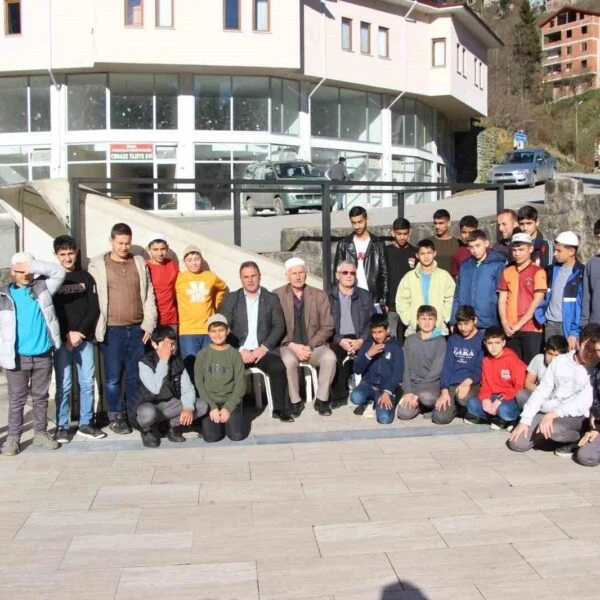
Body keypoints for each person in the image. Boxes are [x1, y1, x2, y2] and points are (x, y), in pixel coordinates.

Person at [88, 223, 157, 435]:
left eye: (127, 243)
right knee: (113, 377)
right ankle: (116, 416)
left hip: (138, 330)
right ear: (111, 241)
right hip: (111, 331)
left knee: (135, 375)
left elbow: (149, 295)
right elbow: (92, 299)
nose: (124, 247)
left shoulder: (138, 262)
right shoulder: (98, 265)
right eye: (120, 243)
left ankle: (133, 412)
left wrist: (149, 324)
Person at [0, 252, 65, 456]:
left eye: (28, 269)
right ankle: (13, 439)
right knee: (17, 400)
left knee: (41, 397)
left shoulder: (41, 288)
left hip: (43, 354)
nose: (25, 274)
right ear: (12, 272)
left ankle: (40, 433)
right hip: (17, 357)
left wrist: (34, 266)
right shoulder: (3, 296)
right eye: (20, 270)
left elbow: (58, 271)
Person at [508, 323, 600, 457]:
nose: (590, 354)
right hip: (550, 410)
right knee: (517, 443)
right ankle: (552, 438)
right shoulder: (560, 361)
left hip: (576, 416)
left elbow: (583, 402)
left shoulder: (594, 369)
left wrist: (552, 415)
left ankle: (575, 439)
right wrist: (525, 421)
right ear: (578, 343)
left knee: (554, 430)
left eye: (595, 350)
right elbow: (542, 391)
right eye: (587, 347)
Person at [219, 261, 294, 422]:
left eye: (253, 276)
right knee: (226, 369)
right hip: (239, 350)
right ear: (241, 279)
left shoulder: (271, 298)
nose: (250, 280)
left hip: (262, 350)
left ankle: (280, 409)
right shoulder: (232, 299)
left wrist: (265, 347)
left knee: (278, 367)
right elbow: (223, 328)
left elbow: (279, 326)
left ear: (260, 276)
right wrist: (239, 350)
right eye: (246, 277)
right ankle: (228, 409)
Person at [52, 235, 104, 443]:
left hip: (85, 339)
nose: (67, 258)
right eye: (63, 254)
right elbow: (52, 311)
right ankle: (62, 426)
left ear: (77, 253)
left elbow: (94, 308)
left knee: (87, 383)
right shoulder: (53, 279)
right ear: (56, 255)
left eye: (70, 253)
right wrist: (67, 333)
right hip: (62, 340)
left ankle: (86, 423)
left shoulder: (86, 277)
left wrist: (80, 333)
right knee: (64, 384)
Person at [275, 257, 336, 416]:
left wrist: (310, 346)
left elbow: (328, 326)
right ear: (287, 276)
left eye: (301, 272)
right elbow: (273, 327)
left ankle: (322, 400)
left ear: (306, 273)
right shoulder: (277, 295)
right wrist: (292, 345)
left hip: (313, 345)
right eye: (293, 273)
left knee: (329, 357)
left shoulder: (319, 295)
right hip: (288, 346)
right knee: (288, 362)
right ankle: (295, 401)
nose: (297, 276)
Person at [132, 326, 208, 448]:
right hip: (150, 404)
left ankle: (172, 427)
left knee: (201, 405)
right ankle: (148, 430)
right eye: (166, 344)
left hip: (171, 405)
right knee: (148, 413)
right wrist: (163, 361)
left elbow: (187, 389)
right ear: (154, 344)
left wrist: (188, 408)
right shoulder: (145, 362)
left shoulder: (177, 361)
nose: (170, 348)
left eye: (172, 344)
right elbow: (155, 388)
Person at [194, 314, 249, 443]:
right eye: (213, 331)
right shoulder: (202, 354)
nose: (217, 334)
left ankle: (232, 419)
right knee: (211, 437)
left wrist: (228, 407)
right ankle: (216, 423)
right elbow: (199, 383)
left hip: (230, 400)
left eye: (221, 330)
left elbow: (240, 384)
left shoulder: (234, 354)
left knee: (237, 435)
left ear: (227, 331)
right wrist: (212, 407)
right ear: (208, 333)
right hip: (210, 402)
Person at [176, 245, 228, 375]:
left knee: (209, 365)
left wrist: (216, 304)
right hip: (187, 330)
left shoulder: (210, 276)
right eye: (190, 260)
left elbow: (223, 288)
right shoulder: (179, 278)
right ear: (184, 262)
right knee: (191, 367)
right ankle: (195, 394)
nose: (194, 263)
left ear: (201, 259)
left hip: (208, 329)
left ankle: (209, 393)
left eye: (196, 258)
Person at [498, 232, 547, 364]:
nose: (517, 253)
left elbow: (537, 301)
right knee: (513, 367)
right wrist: (504, 322)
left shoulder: (538, 271)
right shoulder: (507, 271)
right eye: (514, 250)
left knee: (530, 367)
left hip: (531, 329)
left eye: (521, 249)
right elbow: (502, 299)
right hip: (511, 328)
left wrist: (520, 323)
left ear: (530, 249)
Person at [329, 261, 373, 408]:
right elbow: (325, 324)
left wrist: (361, 340)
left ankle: (368, 391)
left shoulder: (365, 296)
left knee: (373, 352)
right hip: (337, 337)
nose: (349, 276)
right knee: (333, 356)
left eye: (352, 273)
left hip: (360, 336)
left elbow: (371, 323)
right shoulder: (328, 297)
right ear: (337, 275)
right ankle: (339, 396)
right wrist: (340, 340)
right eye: (345, 273)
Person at [465, 326, 526, 430]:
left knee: (504, 410)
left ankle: (512, 419)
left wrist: (500, 400)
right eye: (490, 343)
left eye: (497, 343)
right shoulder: (486, 361)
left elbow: (519, 387)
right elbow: (485, 385)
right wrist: (485, 399)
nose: (494, 347)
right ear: (485, 343)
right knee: (471, 404)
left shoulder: (512, 359)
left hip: (510, 397)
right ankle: (498, 419)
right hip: (494, 396)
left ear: (503, 343)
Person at [435, 305, 485, 425]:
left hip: (473, 384)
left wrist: (468, 381)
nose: (463, 328)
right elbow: (447, 366)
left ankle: (474, 410)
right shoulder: (453, 339)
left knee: (463, 399)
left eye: (466, 323)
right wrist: (445, 390)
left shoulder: (482, 339)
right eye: (460, 324)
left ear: (475, 321)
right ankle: (459, 408)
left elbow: (481, 366)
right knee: (439, 417)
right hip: (454, 384)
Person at [351, 313, 404, 424]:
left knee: (384, 419)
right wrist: (368, 355)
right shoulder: (368, 344)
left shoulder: (395, 347)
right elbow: (357, 369)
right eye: (374, 332)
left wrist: (387, 392)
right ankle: (369, 401)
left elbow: (398, 373)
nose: (377, 336)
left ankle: (388, 400)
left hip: (386, 388)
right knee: (355, 397)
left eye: (380, 332)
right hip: (369, 385)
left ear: (387, 330)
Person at [535, 231, 584, 350]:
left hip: (567, 326)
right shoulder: (550, 270)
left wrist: (574, 332)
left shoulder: (581, 273)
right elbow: (545, 296)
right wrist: (542, 316)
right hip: (550, 323)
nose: (555, 254)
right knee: (550, 359)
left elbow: (580, 305)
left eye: (559, 251)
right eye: (555, 250)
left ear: (572, 251)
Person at [333, 206, 388, 312]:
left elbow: (385, 274)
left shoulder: (378, 244)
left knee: (374, 328)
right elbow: (337, 274)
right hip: (350, 298)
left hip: (374, 299)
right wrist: (338, 299)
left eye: (360, 222)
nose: (357, 226)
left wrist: (384, 300)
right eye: (353, 223)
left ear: (367, 219)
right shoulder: (344, 244)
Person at [396, 239, 455, 337]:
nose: (426, 256)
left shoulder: (444, 276)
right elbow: (401, 300)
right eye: (422, 253)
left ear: (434, 253)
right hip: (416, 330)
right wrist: (410, 320)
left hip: (438, 329)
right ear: (417, 255)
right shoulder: (409, 277)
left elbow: (451, 298)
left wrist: (444, 318)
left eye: (429, 253)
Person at [396, 305, 446, 420]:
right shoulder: (410, 340)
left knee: (426, 397)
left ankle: (428, 404)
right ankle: (420, 406)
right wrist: (408, 391)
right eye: (423, 319)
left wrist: (416, 393)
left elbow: (436, 371)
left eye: (430, 319)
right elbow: (405, 367)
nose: (427, 322)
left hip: (431, 384)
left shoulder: (440, 341)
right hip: (413, 384)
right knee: (403, 414)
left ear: (435, 321)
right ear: (418, 321)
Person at [451, 230, 505, 330]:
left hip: (488, 324)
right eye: (471, 247)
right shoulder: (465, 266)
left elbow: (503, 296)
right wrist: (454, 320)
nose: (474, 250)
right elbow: (457, 295)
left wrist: (502, 321)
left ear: (486, 244)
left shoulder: (497, 266)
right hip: (466, 323)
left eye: (478, 245)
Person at [516, 334, 569, 409]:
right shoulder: (538, 359)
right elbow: (528, 383)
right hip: (540, 395)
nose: (552, 359)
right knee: (521, 394)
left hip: (556, 401)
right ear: (545, 350)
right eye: (550, 354)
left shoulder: (567, 367)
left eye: (556, 355)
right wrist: (542, 391)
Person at [385, 217, 416, 341]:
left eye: (405, 234)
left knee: (409, 338)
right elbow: (383, 277)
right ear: (392, 233)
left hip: (410, 304)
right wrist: (385, 302)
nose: (402, 237)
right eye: (399, 234)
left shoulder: (415, 252)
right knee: (391, 338)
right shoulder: (386, 251)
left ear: (410, 233)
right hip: (391, 305)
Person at [145, 233, 178, 331]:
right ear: (148, 249)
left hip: (171, 319)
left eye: (162, 249)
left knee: (171, 346)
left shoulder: (172, 265)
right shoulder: (144, 266)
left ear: (167, 248)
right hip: (151, 320)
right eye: (155, 249)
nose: (160, 253)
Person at [428, 209, 460, 273]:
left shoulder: (458, 243)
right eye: (435, 223)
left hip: (451, 282)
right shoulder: (428, 242)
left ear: (449, 223)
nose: (437, 226)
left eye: (441, 223)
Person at [581, 219, 600, 326]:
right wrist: (585, 325)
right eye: (597, 238)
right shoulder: (592, 263)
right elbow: (586, 297)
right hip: (595, 328)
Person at [450, 215, 478, 279]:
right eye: (464, 232)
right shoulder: (458, 252)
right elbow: (457, 277)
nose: (467, 235)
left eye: (470, 232)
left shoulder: (485, 250)